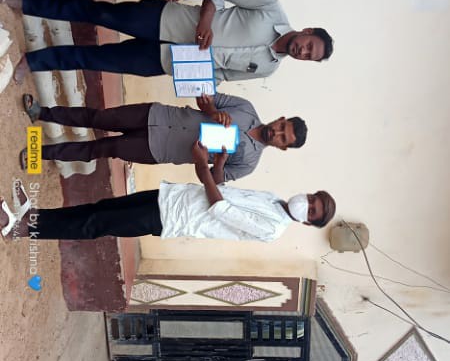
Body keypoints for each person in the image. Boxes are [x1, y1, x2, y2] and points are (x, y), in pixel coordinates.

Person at [1, 141, 336, 242]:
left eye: (311, 211)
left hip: (171, 218)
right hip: (171, 198)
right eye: (312, 199)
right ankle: (35, 217)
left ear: (308, 223)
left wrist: (202, 167)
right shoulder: (273, 200)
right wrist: (218, 164)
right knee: (100, 208)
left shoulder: (273, 229)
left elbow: (221, 210)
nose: (306, 204)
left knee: (96, 224)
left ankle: (22, 230)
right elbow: (222, 193)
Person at [11, 0, 334, 84]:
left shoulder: (268, 68)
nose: (303, 51)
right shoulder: (271, 8)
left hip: (166, 61)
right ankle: (26, 3)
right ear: (307, 31)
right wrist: (206, 21)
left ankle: (35, 62)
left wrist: (199, 84)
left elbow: (222, 75)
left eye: (309, 56)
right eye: (309, 45)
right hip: (166, 20)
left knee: (97, 60)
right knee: (99, 14)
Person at [19, 92, 307, 179]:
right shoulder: (246, 108)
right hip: (158, 115)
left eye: (283, 138)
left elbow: (215, 180)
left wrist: (217, 162)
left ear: (282, 147)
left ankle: (37, 152)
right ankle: (41, 112)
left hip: (158, 149)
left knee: (101, 148)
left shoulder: (249, 163)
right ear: (281, 119)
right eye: (282, 127)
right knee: (99, 118)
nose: (277, 132)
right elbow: (205, 97)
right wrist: (212, 111)